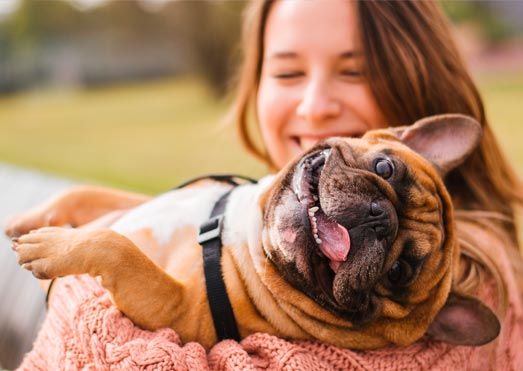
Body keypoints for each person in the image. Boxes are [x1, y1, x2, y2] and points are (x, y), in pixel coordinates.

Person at [5, 0, 523, 369]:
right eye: (288, 72)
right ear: (251, 83)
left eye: (353, 71)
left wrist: (76, 281)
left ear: (418, 80)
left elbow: (99, 353)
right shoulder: (267, 213)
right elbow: (173, 222)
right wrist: (83, 205)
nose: (315, 105)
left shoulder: (471, 285)